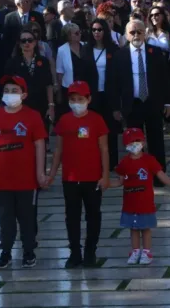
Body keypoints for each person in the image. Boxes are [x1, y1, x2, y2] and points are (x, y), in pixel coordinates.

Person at [0, 75, 48, 269]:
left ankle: (28, 251)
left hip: (27, 180)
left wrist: (40, 173)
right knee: (6, 217)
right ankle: (6, 252)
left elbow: (39, 144)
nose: (10, 94)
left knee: (27, 217)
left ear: (24, 95)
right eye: (7, 91)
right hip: (2, 180)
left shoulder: (32, 116)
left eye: (15, 91)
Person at [46, 81, 108, 268]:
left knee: (93, 215)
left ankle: (90, 251)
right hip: (70, 178)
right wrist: (51, 174)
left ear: (89, 99)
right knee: (72, 216)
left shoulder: (97, 120)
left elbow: (104, 149)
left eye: (80, 99)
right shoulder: (64, 120)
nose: (76, 103)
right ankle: (74, 252)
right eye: (73, 99)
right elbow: (58, 150)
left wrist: (105, 175)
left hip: (92, 178)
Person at [106, 20, 170, 186]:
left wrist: (168, 103)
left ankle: (159, 176)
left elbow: (165, 80)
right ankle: (137, 175)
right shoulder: (119, 55)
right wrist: (115, 107)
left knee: (156, 140)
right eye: (132, 32)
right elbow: (112, 84)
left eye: (139, 32)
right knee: (134, 142)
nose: (136, 35)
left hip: (152, 102)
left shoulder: (155, 53)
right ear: (126, 35)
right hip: (132, 104)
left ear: (145, 33)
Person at [110, 128, 170, 265]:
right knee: (133, 228)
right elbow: (120, 181)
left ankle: (147, 251)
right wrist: (106, 184)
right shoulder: (124, 162)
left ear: (143, 142)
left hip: (145, 202)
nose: (135, 144)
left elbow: (161, 175)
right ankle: (135, 250)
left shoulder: (149, 160)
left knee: (146, 228)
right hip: (130, 203)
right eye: (131, 142)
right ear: (126, 145)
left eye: (137, 141)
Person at [82, 18, 120, 170]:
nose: (97, 32)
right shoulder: (86, 49)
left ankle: (112, 163)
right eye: (94, 30)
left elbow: (119, 75)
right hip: (92, 95)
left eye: (100, 29)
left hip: (109, 95)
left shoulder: (113, 49)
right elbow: (82, 73)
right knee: (92, 129)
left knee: (111, 130)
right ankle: (93, 161)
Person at [4, 28, 55, 132]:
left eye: (30, 40)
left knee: (41, 137)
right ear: (19, 43)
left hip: (41, 104)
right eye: (23, 41)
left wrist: (51, 105)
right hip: (20, 105)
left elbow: (48, 84)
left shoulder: (43, 61)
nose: (27, 43)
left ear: (35, 42)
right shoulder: (12, 63)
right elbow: (6, 87)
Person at [56, 23, 96, 117]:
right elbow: (59, 72)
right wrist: (59, 92)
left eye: (79, 32)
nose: (79, 34)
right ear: (68, 36)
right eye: (76, 33)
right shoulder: (62, 50)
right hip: (70, 88)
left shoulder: (86, 46)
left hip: (86, 87)